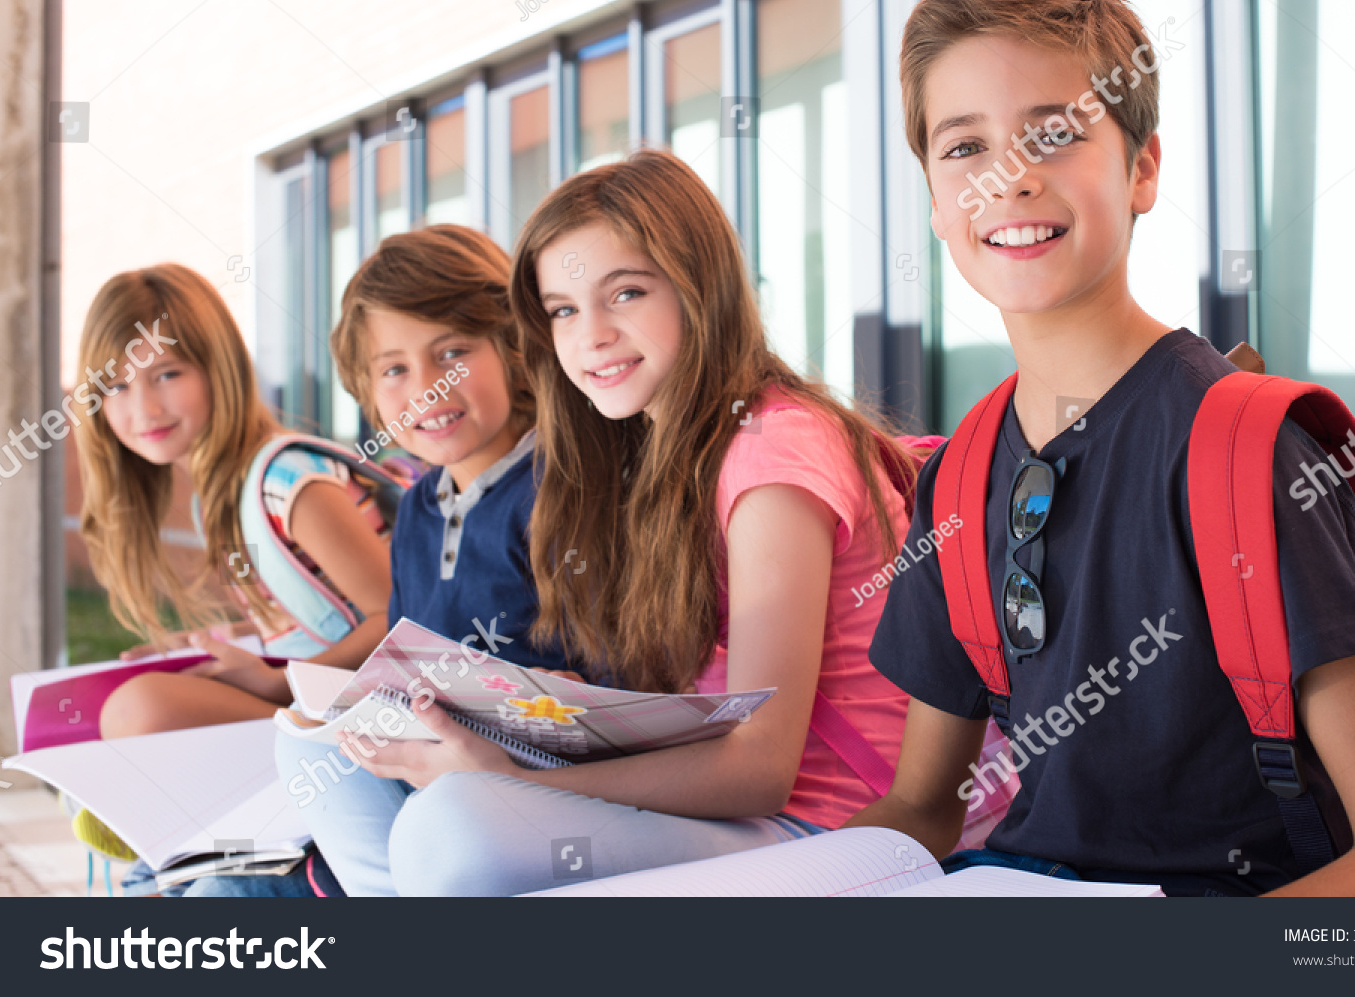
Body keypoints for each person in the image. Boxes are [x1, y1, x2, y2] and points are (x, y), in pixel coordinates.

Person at [842, 0, 1355, 896]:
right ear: (935, 199)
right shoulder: (963, 473)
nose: (1008, 178)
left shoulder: (1245, 457)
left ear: (1141, 169)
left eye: (1053, 134)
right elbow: (922, 807)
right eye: (965, 148)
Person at [326, 149, 926, 896]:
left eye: (628, 292)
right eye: (564, 310)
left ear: (698, 288)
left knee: (452, 823)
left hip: (828, 827)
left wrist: (513, 773)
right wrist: (546, 715)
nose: (593, 335)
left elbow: (762, 769)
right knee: (327, 767)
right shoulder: (646, 450)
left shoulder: (775, 449)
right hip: (725, 813)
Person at [198, 224, 583, 899]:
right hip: (418, 776)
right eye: (395, 368)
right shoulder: (417, 511)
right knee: (289, 761)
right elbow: (401, 660)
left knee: (433, 819)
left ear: (515, 349)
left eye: (453, 353)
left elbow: (608, 674)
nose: (427, 388)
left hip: (521, 790)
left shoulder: (562, 489)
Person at [75, 263, 393, 737]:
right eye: (116, 387)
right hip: (317, 695)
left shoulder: (289, 485)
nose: (144, 409)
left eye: (165, 375)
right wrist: (206, 644)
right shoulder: (217, 505)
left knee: (141, 710)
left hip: (375, 709)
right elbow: (288, 621)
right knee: (125, 702)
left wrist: (279, 684)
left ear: (217, 369)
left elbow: (396, 620)